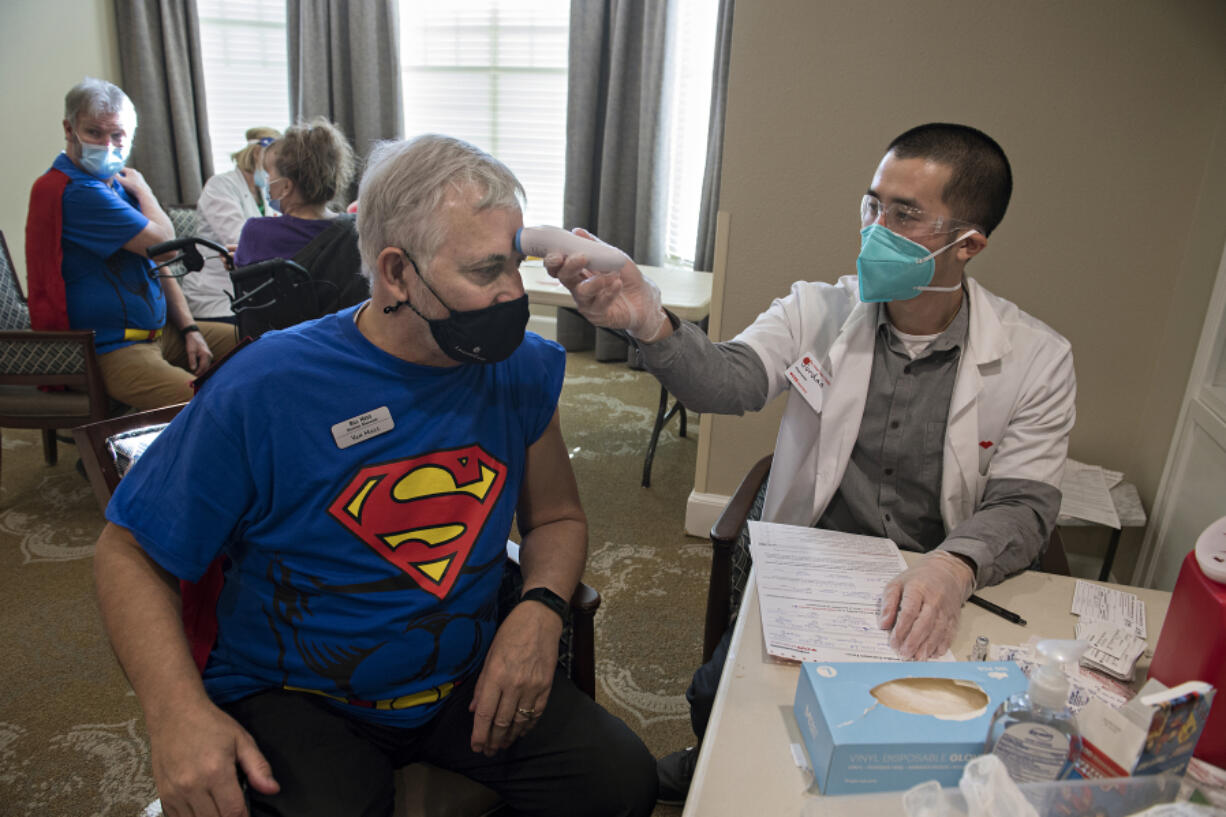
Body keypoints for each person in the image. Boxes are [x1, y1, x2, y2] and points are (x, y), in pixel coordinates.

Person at [93, 133, 657, 817]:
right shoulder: (269, 385)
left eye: (515, 265)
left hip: (460, 678)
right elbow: (128, 550)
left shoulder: (522, 367)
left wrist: (538, 611)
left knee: (623, 783)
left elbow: (558, 518)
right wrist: (175, 714)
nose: (514, 294)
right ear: (396, 273)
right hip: (299, 693)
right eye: (484, 273)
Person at [546, 123, 1076, 803]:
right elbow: (727, 381)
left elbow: (1025, 504)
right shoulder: (819, 309)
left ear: (967, 243)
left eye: (904, 213)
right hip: (816, 568)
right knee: (718, 697)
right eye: (873, 204)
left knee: (923, 739)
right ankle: (710, 760)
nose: (875, 228)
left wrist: (952, 566)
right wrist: (649, 321)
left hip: (934, 580)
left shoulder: (1036, 357)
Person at [25, 77, 238, 410]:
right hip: (111, 350)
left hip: (161, 334)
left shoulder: (117, 185)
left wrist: (190, 329)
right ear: (69, 129)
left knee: (261, 341)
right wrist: (146, 192)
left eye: (117, 135)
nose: (108, 145)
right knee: (208, 406)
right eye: (94, 133)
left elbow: (160, 265)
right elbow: (167, 247)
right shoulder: (76, 190)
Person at [231, 117, 367, 334]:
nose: (266, 181)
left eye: (269, 174)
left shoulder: (256, 233)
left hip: (277, 350)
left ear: (285, 186)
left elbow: (250, 302)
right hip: (340, 347)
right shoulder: (357, 231)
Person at [179, 126, 281, 323]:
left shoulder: (264, 193)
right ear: (258, 154)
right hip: (215, 295)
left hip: (251, 291)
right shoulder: (220, 186)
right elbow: (240, 239)